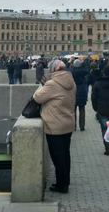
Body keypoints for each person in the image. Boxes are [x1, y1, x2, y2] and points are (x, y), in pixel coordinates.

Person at [33, 59, 76, 194]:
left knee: (57, 156)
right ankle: (65, 181)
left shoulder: (53, 83)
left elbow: (37, 97)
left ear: (53, 70)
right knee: (65, 154)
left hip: (55, 125)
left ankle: (61, 185)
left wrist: (45, 85)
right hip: (68, 122)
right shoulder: (71, 81)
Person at [92, 64, 109, 155]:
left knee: (104, 128)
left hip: (101, 109)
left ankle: (107, 145)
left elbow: (94, 97)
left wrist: (95, 107)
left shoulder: (98, 83)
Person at [69, 59, 89, 131]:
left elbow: (66, 68)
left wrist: (69, 62)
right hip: (82, 91)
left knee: (73, 110)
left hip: (73, 91)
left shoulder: (72, 72)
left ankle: (73, 126)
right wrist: (84, 63)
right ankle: (82, 126)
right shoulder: (83, 71)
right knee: (82, 109)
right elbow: (87, 68)